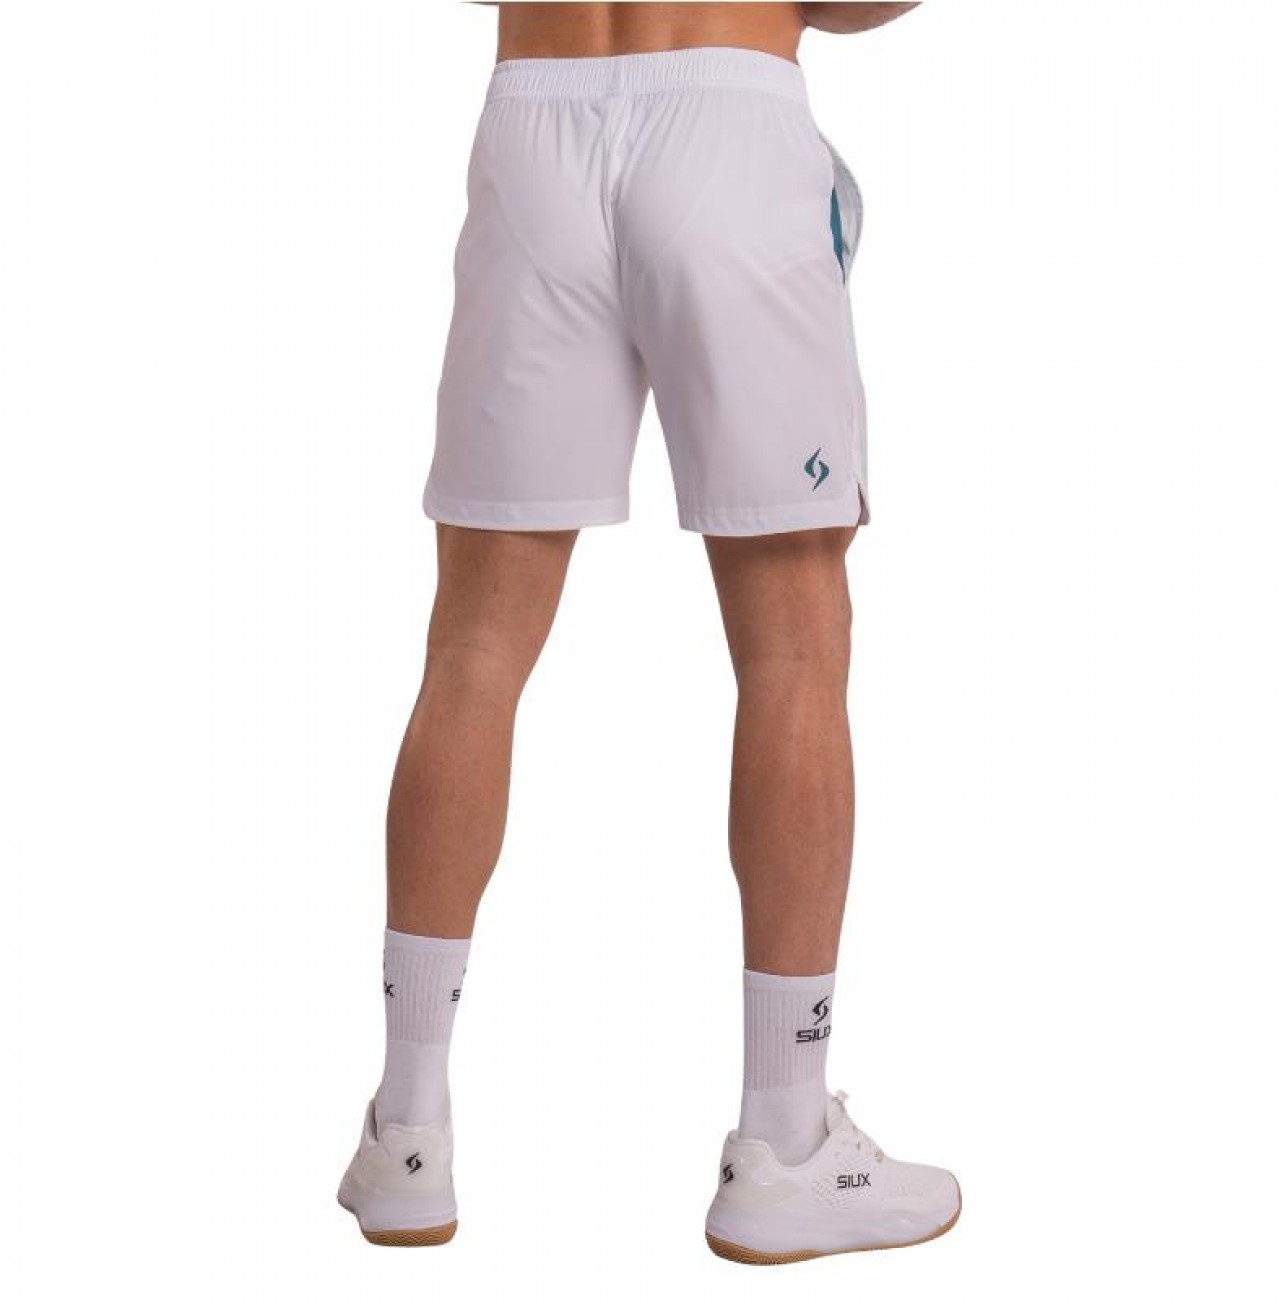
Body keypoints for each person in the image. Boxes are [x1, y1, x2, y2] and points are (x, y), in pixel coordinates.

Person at [337, 2, 960, 1265]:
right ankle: (784, 1143)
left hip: (536, 119)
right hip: (727, 111)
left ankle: (405, 1132)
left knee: (472, 647)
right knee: (793, 641)